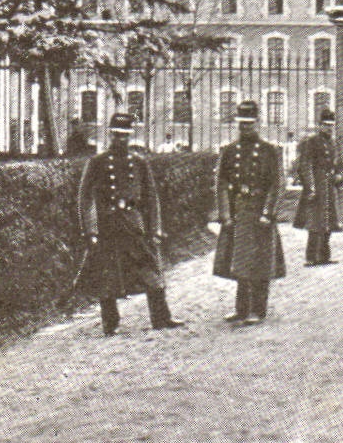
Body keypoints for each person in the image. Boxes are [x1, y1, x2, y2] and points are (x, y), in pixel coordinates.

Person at [76, 112, 185, 336]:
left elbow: (151, 197)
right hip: (108, 226)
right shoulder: (97, 162)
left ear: (130, 136)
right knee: (108, 276)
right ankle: (110, 324)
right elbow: (85, 198)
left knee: (151, 271)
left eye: (124, 136)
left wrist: (154, 228)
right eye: (116, 135)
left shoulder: (139, 162)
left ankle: (161, 318)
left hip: (134, 225)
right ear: (110, 135)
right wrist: (91, 230)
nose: (120, 140)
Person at [211, 100, 286, 326]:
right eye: (242, 124)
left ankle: (258, 309)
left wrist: (268, 212)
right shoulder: (230, 151)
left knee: (261, 262)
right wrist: (225, 213)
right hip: (239, 212)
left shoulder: (269, 151)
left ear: (258, 123)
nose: (246, 129)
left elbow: (277, 184)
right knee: (241, 261)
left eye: (250, 124)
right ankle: (241, 309)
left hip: (260, 212)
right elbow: (221, 183)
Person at [295, 108, 342, 266]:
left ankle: (324, 255)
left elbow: (338, 163)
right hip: (317, 185)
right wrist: (311, 186)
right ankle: (311, 256)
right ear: (319, 125)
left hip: (330, 186)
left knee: (329, 221)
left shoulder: (333, 143)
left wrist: (339, 175)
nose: (329, 128)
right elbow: (305, 164)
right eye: (326, 125)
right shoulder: (312, 142)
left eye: (331, 125)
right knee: (315, 223)